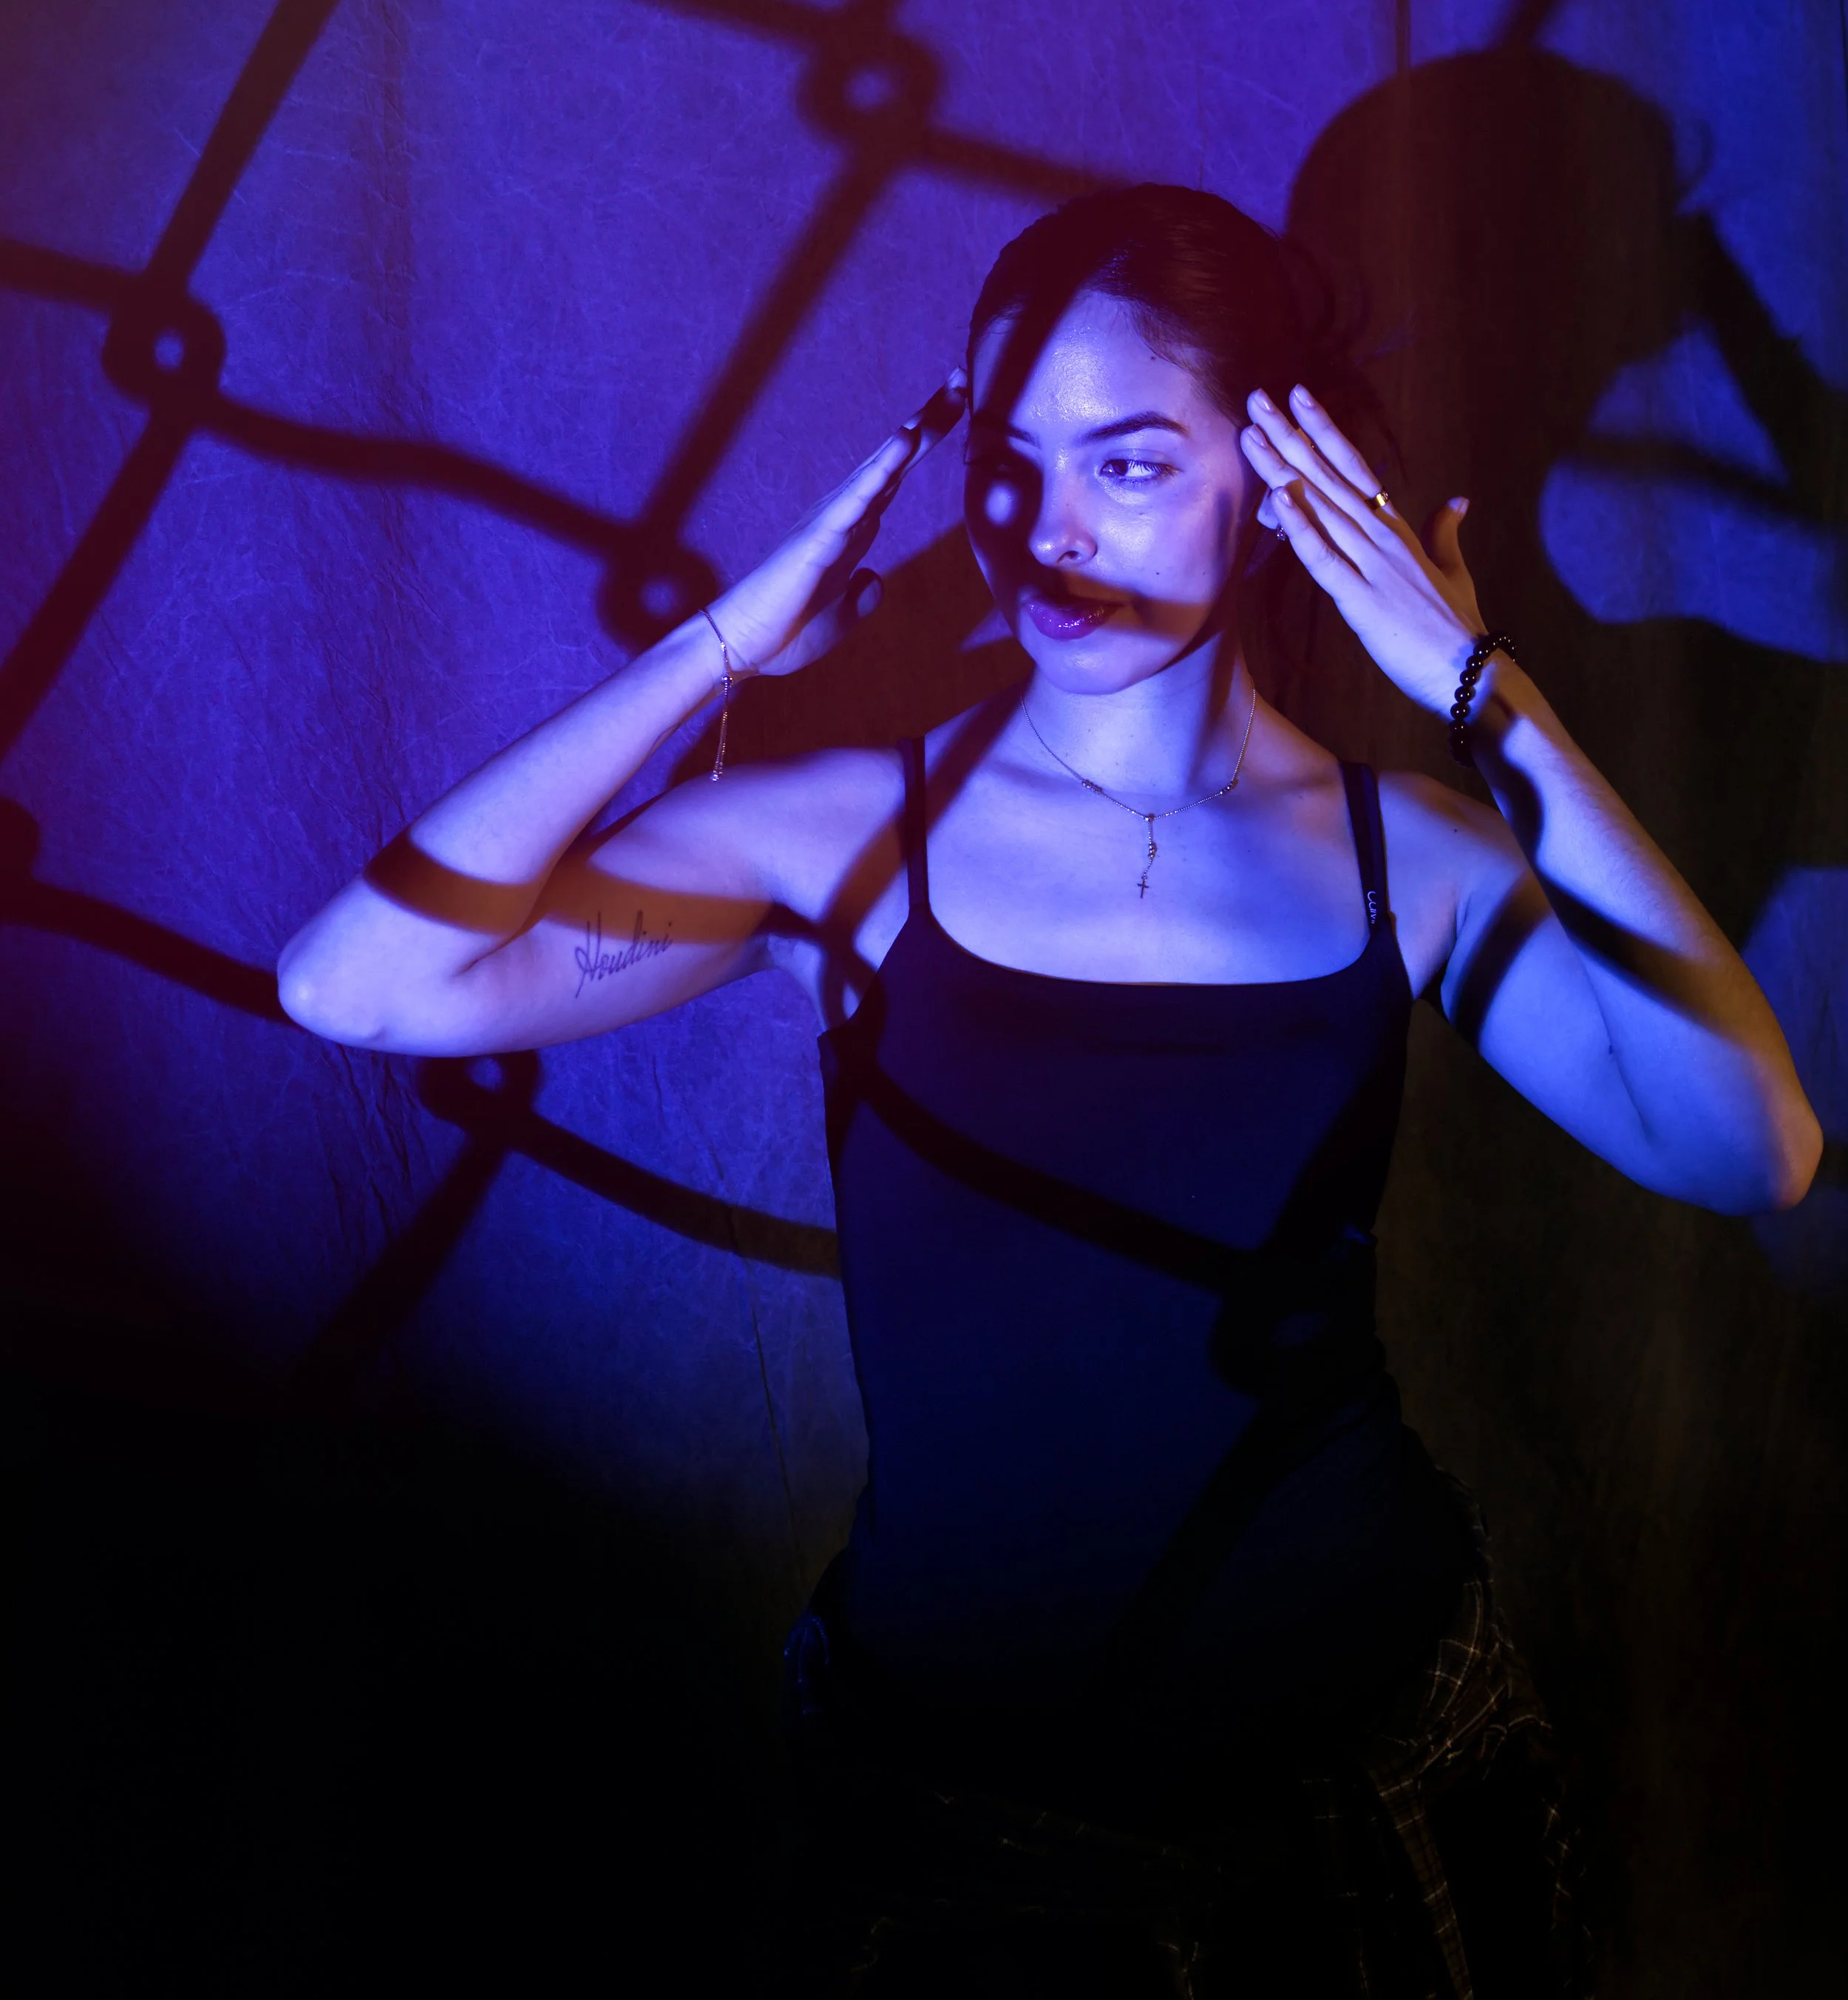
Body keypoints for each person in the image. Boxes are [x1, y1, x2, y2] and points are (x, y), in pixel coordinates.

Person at [277, 184, 1821, 1998]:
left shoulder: (1405, 856)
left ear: (1272, 484)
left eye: (1129, 463)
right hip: (962, 1820)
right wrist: (724, 644)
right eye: (1004, 464)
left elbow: (1751, 1148)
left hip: (1360, 1778)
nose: (1046, 530)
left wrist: (1485, 696)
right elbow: (356, 985)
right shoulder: (845, 845)